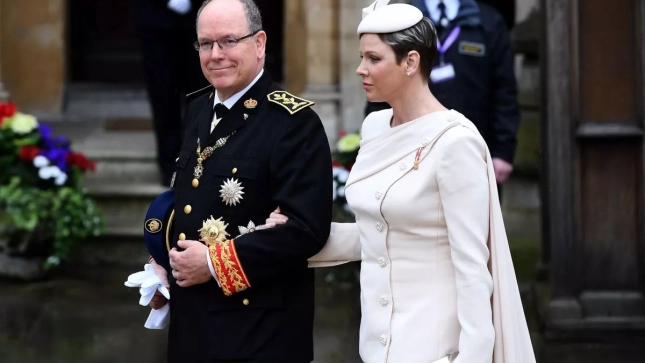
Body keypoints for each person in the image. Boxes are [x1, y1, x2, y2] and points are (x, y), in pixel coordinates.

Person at [265, 2, 535, 363]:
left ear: (410, 62)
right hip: (378, 344)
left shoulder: (457, 143)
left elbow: (474, 272)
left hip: (436, 349)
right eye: (361, 57)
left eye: (374, 59)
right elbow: (377, 232)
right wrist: (292, 236)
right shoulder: (375, 126)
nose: (361, 69)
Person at [145, 0, 333, 362]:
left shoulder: (293, 123)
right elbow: (192, 202)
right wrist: (164, 265)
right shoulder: (199, 108)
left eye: (229, 41)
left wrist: (214, 264)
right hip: (193, 330)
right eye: (206, 43)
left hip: (259, 333)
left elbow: (306, 229)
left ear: (259, 43)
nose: (216, 55)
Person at [365, 0, 520, 192]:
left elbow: (504, 91)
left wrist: (503, 151)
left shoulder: (488, 21)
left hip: (474, 153)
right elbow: (382, 83)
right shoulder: (399, 23)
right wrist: (376, 146)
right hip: (409, 154)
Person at [136, 0, 209, 186]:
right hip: (156, 21)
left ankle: (199, 161)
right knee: (163, 96)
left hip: (202, 20)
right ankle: (169, 167)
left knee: (202, 94)